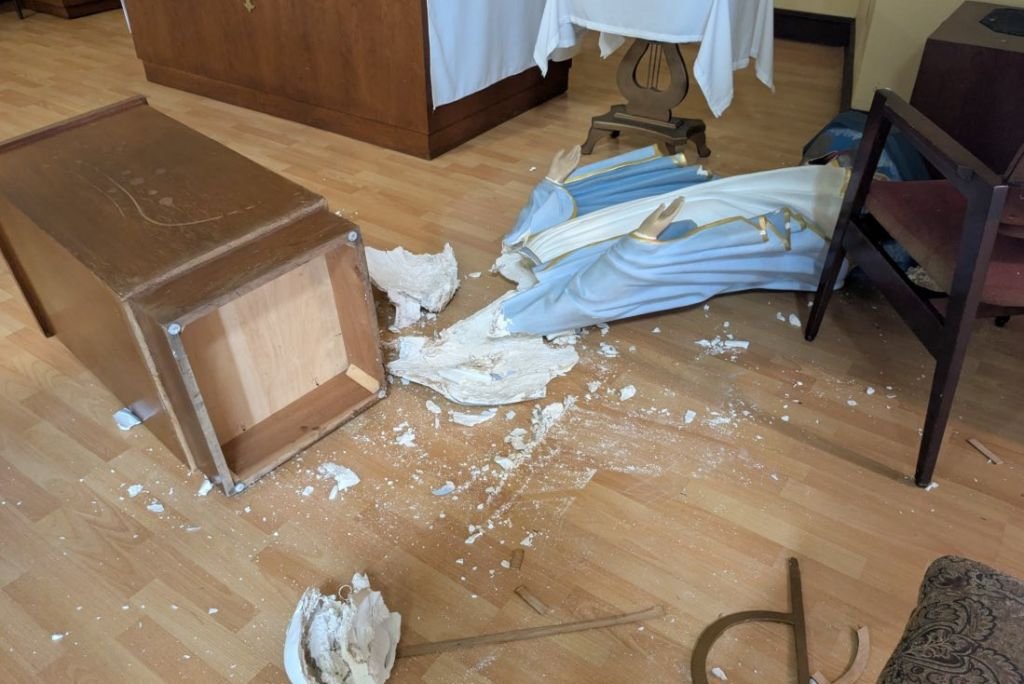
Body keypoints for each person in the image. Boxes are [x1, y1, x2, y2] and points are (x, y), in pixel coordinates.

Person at [496, 148, 850, 335]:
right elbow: (588, 296)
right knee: (733, 214)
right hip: (673, 239)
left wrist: (551, 185)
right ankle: (835, 217)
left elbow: (523, 231)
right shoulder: (553, 292)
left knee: (732, 195)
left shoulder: (528, 247)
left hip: (637, 219)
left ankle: (834, 195)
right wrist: (639, 244)